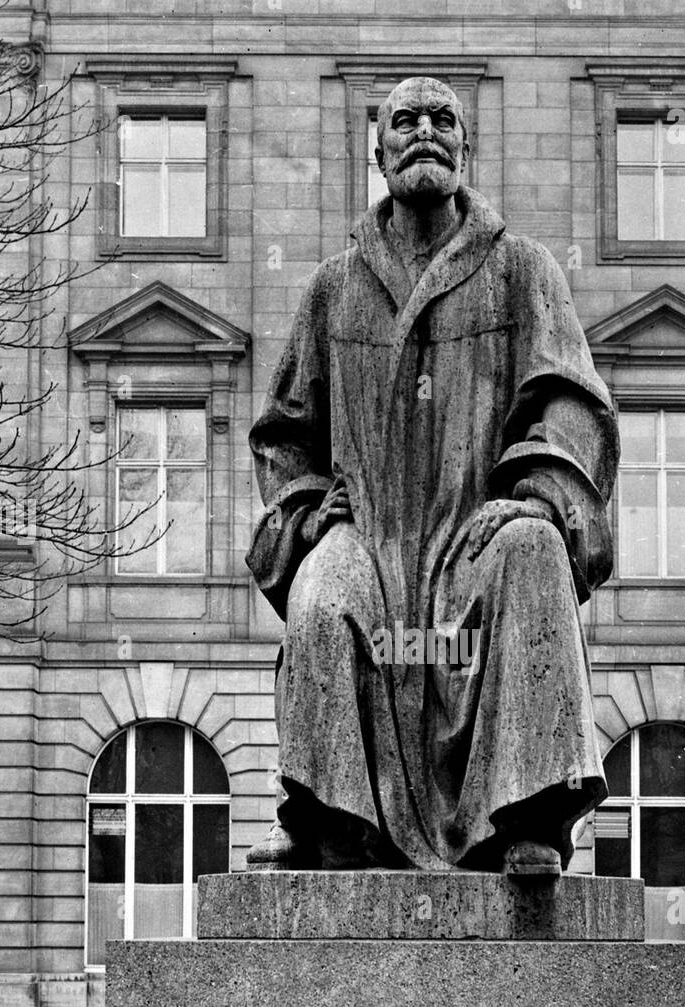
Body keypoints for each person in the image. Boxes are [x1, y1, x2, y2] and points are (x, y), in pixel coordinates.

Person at [247, 77, 618, 877]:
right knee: (321, 595)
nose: (424, 131)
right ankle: (327, 818)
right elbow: (284, 436)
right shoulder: (332, 288)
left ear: (466, 145)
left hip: (472, 541)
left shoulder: (522, 271)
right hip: (370, 538)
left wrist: (533, 497)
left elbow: (570, 404)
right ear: (377, 152)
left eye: (442, 119)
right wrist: (310, 514)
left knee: (531, 551)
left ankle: (526, 819)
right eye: (404, 121)